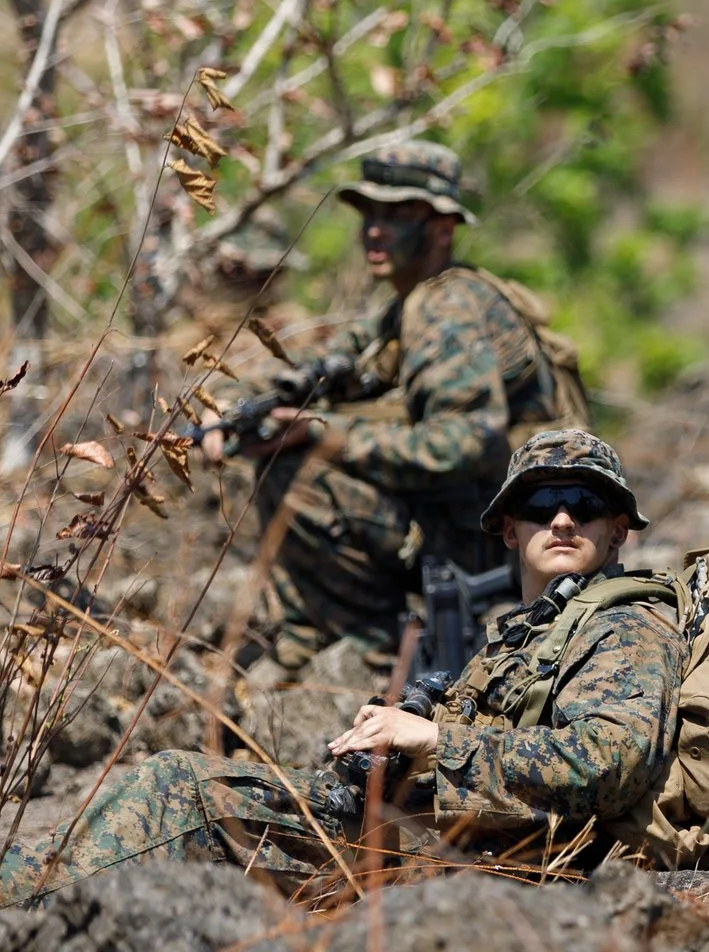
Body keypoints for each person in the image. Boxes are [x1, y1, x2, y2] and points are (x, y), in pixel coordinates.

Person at [0, 431, 682, 906]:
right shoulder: (532, 631)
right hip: (421, 838)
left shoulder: (621, 623)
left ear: (619, 528)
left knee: (185, 792)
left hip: (472, 872)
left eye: (585, 504)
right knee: (176, 781)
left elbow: (611, 758)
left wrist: (434, 742)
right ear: (509, 528)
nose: (562, 519)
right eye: (540, 502)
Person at [211, 142, 586, 673]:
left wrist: (324, 435)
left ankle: (368, 647)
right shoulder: (414, 302)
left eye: (398, 214)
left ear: (441, 228)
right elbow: (332, 364)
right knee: (289, 446)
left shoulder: (448, 308)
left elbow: (469, 442)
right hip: (496, 526)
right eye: (369, 213)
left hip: (499, 540)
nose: (374, 229)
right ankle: (320, 634)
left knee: (295, 469)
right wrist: (238, 408)